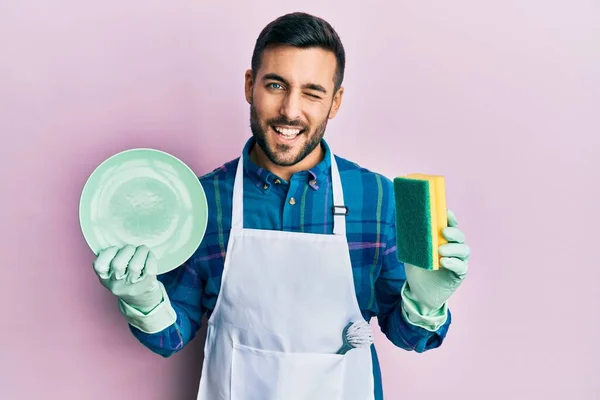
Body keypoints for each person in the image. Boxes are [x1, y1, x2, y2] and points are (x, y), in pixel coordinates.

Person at [91, 11, 470, 400]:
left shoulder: (377, 198)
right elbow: (170, 338)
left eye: (312, 92)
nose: (290, 110)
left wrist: (426, 303)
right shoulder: (202, 202)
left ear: (335, 102)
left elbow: (409, 337)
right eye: (276, 85)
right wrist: (143, 298)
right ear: (250, 85)